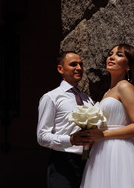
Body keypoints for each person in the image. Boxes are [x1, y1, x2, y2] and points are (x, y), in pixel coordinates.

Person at [80, 44, 134, 188]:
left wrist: (103, 135)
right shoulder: (107, 92)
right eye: (110, 53)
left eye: (119, 55)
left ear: (128, 66)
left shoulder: (124, 87)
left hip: (120, 152)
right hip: (101, 152)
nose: (111, 57)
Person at [37, 51, 94, 188]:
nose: (79, 68)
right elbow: (42, 137)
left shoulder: (88, 100)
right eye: (73, 64)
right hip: (63, 162)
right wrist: (70, 140)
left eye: (81, 64)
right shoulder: (51, 97)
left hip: (89, 162)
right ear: (60, 69)